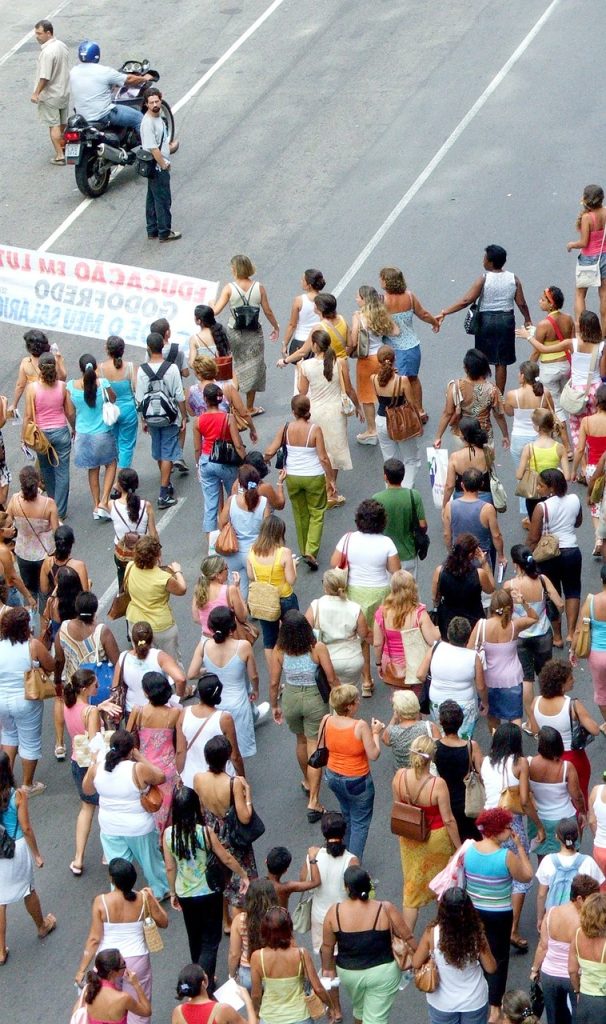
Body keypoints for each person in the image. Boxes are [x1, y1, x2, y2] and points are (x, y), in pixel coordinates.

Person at [163, 786, 249, 990]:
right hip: (209, 891)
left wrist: (173, 892)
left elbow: (169, 866)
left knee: (195, 936)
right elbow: (225, 857)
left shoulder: (168, 835)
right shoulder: (204, 832)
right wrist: (243, 874)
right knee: (211, 939)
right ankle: (202, 982)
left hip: (185, 893)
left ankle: (201, 974)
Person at [462, 808, 533, 1021]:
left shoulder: (469, 850)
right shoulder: (506, 856)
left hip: (474, 912)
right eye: (506, 828)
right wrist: (520, 847)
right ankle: (494, 1008)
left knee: (477, 953)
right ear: (496, 831)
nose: (510, 831)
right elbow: (527, 875)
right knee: (498, 958)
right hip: (500, 914)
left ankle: (478, 994)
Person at [321, 865, 416, 1024]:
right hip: (383, 973)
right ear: (369, 884)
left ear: (347, 888)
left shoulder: (334, 912)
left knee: (360, 1009)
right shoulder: (384, 908)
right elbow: (407, 936)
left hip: (349, 974)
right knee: (375, 1019)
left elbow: (327, 947)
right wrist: (422, 955)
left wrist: (327, 969)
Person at [74, 858, 167, 1020]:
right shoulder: (143, 899)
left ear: (112, 879)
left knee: (105, 1003)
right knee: (139, 1007)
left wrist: (82, 969)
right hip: (137, 959)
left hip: (107, 961)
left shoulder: (101, 902)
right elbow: (163, 922)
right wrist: (151, 898)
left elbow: (94, 939)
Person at [82, 729, 169, 898]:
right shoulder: (137, 769)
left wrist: (93, 762)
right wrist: (140, 756)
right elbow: (160, 777)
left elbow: (87, 789)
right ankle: (160, 891)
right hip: (139, 827)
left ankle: (120, 896)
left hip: (110, 826)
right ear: (131, 750)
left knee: (117, 865)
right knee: (151, 863)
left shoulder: (97, 769)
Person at [480, 725, 544, 949]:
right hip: (509, 822)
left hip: (486, 820)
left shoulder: (486, 762)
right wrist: (539, 826)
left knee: (494, 868)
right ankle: (512, 930)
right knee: (521, 874)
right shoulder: (520, 763)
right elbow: (525, 801)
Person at [270, 610, 337, 822]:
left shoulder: (279, 650)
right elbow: (331, 678)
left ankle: (307, 781)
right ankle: (314, 800)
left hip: (290, 697)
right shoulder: (316, 648)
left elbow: (273, 683)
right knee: (314, 744)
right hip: (314, 699)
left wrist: (274, 706)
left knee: (300, 741)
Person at [436, 245, 532, 394]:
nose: (483, 260)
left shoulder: (484, 278)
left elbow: (466, 300)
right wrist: (527, 319)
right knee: (501, 362)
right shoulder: (514, 278)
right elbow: (521, 303)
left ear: (491, 262)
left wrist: (445, 311)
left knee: (482, 358)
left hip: (486, 321)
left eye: (485, 258)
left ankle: (481, 393)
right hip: (506, 320)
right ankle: (498, 398)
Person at [331, 499, 401, 697]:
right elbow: (395, 571)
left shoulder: (348, 539)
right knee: (383, 634)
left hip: (353, 592)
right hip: (380, 592)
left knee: (361, 637)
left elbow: (334, 562)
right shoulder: (386, 543)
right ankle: (388, 671)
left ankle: (366, 681)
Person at [394, 734, 461, 929]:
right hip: (435, 837)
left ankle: (407, 941)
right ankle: (445, 932)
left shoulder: (399, 776)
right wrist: (458, 847)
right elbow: (448, 819)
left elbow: (398, 807)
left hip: (410, 837)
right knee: (443, 883)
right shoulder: (437, 784)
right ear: (431, 757)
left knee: (412, 888)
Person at [264, 395, 337, 566]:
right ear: (308, 410)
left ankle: (304, 548)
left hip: (293, 477)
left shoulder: (286, 428)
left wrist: (265, 459)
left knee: (300, 512)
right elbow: (323, 458)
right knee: (317, 512)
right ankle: (311, 550)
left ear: (293, 411)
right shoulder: (315, 430)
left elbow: (271, 450)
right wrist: (331, 478)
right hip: (313, 476)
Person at [193, 734, 259, 919]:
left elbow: (200, 807)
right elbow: (245, 818)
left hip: (212, 833)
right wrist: (248, 797)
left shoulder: (198, 779)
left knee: (221, 878)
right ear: (227, 757)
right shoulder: (234, 783)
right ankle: (243, 923)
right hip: (233, 837)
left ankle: (226, 921)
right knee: (241, 881)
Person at [64, 668, 122, 875]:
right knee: (105, 808)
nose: (99, 687)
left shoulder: (68, 704)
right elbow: (93, 742)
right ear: (86, 687)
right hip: (93, 766)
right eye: (96, 685)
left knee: (86, 809)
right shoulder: (91, 712)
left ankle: (78, 858)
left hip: (76, 762)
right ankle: (108, 852)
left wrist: (98, 707)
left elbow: (82, 718)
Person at [188, 606, 265, 760]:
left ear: (210, 627)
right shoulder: (243, 646)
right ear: (232, 627)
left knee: (220, 750)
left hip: (215, 705)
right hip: (238, 704)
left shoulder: (204, 645)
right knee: (239, 752)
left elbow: (191, 674)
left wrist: (208, 670)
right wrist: (255, 690)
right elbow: (253, 675)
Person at [0, 750, 56, 964]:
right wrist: (37, 854)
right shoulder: (17, 795)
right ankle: (41, 926)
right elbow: (26, 828)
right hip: (16, 847)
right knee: (28, 889)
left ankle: (0, 950)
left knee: (0, 901)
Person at [412, 887, 496, 1024]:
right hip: (474, 1000)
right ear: (469, 909)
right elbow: (491, 968)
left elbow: (416, 962)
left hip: (442, 1003)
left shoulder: (432, 933)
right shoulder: (476, 934)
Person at [529, 659, 604, 808]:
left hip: (546, 756)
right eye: (570, 678)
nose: (574, 680)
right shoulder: (572, 705)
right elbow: (595, 729)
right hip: (573, 758)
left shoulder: (535, 702)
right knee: (578, 797)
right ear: (561, 684)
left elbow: (535, 730)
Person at [525, 310, 605, 450]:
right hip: (596, 390)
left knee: (576, 427)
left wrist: (528, 337)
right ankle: (596, 454)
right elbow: (603, 371)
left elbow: (542, 348)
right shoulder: (602, 347)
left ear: (583, 327)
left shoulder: (571, 344)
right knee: (595, 424)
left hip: (576, 391)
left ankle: (583, 461)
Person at [503, 545, 563, 727]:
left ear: (516, 564)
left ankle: (532, 722)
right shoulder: (542, 580)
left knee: (526, 679)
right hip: (543, 634)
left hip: (521, 636)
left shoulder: (510, 586)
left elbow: (503, 612)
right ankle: (552, 716)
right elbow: (560, 604)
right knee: (546, 675)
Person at [306, 811, 359, 1018]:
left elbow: (306, 880)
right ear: (344, 832)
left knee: (328, 969)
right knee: (353, 965)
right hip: (346, 921)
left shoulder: (314, 857)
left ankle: (335, 1010)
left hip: (321, 919)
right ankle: (359, 1006)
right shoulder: (351, 860)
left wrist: (311, 858)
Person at [321, 684, 384, 859]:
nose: (359, 702)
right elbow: (374, 754)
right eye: (356, 700)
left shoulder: (326, 719)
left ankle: (342, 856)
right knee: (360, 823)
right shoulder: (360, 726)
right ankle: (352, 867)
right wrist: (376, 733)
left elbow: (322, 745)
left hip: (333, 775)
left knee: (347, 815)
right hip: (357, 781)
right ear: (348, 706)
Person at [213, 254, 280, 416]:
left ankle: (230, 403)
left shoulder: (229, 288)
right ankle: (249, 407)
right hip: (254, 332)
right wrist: (275, 326)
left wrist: (210, 305)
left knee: (236, 366)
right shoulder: (259, 287)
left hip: (235, 332)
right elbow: (267, 310)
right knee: (254, 367)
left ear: (235, 269)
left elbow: (216, 310)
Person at [531, 874, 600, 1024]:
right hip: (574, 977)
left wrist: (535, 969)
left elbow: (543, 946)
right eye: (592, 898)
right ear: (580, 899)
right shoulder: (585, 923)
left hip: (549, 974)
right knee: (578, 1016)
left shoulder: (551, 913)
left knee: (554, 1017)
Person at [298, 329, 360, 495]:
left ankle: (324, 485)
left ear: (315, 345)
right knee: (335, 451)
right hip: (335, 412)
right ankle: (331, 488)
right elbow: (348, 388)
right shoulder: (339, 362)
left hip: (315, 411)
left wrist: (299, 369)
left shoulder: (305, 365)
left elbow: (302, 391)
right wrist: (358, 407)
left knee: (320, 450)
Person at [0, 607, 54, 795]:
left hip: (2, 700)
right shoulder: (32, 645)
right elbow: (50, 665)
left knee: (9, 737)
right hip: (26, 699)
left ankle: (5, 782)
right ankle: (27, 784)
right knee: (29, 741)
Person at [527, 469, 583, 644]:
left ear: (551, 487)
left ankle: (557, 636)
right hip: (572, 551)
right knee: (573, 591)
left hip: (550, 554)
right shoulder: (574, 499)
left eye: (541, 485)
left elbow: (533, 537)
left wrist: (529, 558)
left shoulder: (541, 507)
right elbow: (578, 522)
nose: (538, 488)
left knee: (552, 593)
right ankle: (572, 632)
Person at [468, 590, 537, 731]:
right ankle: (515, 747)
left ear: (492, 607)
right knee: (515, 717)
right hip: (512, 679)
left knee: (493, 718)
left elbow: (469, 651)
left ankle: (497, 747)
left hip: (489, 679)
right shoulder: (514, 626)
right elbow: (534, 618)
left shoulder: (481, 625)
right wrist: (523, 602)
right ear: (510, 608)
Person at [251, 906, 330, 1024]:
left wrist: (256, 1012)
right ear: (289, 929)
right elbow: (318, 988)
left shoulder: (258, 957)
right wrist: (332, 1006)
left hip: (270, 1017)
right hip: (300, 1017)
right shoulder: (301, 954)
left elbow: (256, 994)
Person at [379, 265, 440, 416]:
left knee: (396, 381)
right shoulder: (410, 297)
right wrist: (435, 322)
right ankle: (419, 410)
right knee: (413, 379)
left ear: (386, 282)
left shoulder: (383, 300)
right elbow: (424, 314)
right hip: (412, 345)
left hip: (393, 348)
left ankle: (404, 414)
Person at [135, 332, 188, 508]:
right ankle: (163, 492)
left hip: (151, 417)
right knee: (168, 452)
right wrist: (184, 416)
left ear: (148, 349)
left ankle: (166, 483)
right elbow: (179, 395)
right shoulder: (171, 368)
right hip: (169, 415)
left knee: (158, 451)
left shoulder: (142, 370)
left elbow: (140, 398)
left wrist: (143, 419)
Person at [126, 672, 182, 839]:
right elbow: (179, 743)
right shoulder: (175, 713)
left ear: (145, 692)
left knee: (148, 803)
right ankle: (167, 840)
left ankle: (155, 839)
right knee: (166, 808)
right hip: (167, 768)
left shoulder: (138, 711)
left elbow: (127, 736)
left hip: (144, 766)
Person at [515, 285, 574, 434]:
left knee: (557, 406)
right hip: (566, 366)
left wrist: (528, 368)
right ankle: (575, 432)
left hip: (549, 370)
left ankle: (566, 444)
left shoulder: (544, 325)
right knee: (569, 400)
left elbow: (537, 351)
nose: (539, 301)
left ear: (551, 304)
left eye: (543, 299)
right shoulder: (568, 319)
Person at [504, 361, 561, 514]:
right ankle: (547, 503)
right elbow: (550, 415)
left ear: (522, 376)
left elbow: (508, 412)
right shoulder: (545, 394)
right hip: (540, 438)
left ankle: (526, 511)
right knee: (544, 473)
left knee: (523, 475)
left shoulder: (512, 395)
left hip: (519, 439)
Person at [22, 352, 74, 518]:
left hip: (42, 435)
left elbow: (28, 416)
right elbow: (70, 413)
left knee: (46, 470)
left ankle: (51, 505)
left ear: (39, 368)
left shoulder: (32, 388)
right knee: (62, 471)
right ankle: (60, 511)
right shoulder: (62, 387)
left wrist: (24, 437)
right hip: (61, 432)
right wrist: (75, 428)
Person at [66, 353, 118, 518]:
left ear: (80, 369)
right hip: (102, 433)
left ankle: (96, 505)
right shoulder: (102, 383)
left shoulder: (71, 387)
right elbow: (113, 398)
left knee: (92, 468)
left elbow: (70, 412)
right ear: (95, 368)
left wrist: (74, 428)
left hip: (83, 434)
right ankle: (104, 501)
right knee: (111, 464)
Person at [373, 570, 439, 696]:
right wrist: (439, 629)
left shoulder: (382, 612)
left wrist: (378, 663)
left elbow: (377, 643)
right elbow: (432, 640)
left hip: (392, 665)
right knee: (415, 701)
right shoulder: (419, 613)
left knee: (399, 702)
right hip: (415, 664)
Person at [419, 617, 488, 738]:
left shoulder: (436, 648)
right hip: (465, 704)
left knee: (442, 735)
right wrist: (485, 703)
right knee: (463, 739)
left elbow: (420, 674)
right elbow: (481, 687)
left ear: (448, 634)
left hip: (437, 701)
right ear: (467, 638)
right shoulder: (473, 657)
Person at [349, 285, 400, 444]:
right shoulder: (381, 314)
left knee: (366, 397)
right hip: (382, 355)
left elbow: (354, 338)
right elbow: (396, 331)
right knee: (387, 391)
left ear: (364, 299)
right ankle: (393, 423)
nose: (355, 299)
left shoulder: (359, 316)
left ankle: (372, 431)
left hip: (366, 360)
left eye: (357, 297)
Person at [55, 591, 120, 713]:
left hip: (74, 688)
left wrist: (58, 681)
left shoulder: (63, 629)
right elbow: (118, 662)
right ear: (95, 611)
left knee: (80, 723)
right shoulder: (102, 631)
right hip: (97, 689)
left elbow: (59, 660)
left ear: (76, 608)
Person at [194, 384, 247, 536]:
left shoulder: (198, 421)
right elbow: (237, 444)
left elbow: (197, 448)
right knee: (234, 498)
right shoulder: (228, 418)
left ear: (205, 399)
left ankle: (211, 541)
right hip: (226, 462)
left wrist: (198, 464)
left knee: (211, 504)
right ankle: (234, 534)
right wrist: (245, 461)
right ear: (220, 399)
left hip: (207, 461)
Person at [434, 348, 510, 452]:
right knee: (484, 467)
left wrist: (438, 437)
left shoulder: (455, 386)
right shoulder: (492, 390)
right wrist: (505, 435)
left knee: (462, 466)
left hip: (462, 434)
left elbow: (447, 413)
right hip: (484, 435)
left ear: (466, 368)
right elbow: (499, 415)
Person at [124, 536, 187, 662]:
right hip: (160, 626)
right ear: (157, 555)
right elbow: (182, 589)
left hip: (135, 622)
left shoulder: (130, 566)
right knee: (171, 662)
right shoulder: (163, 578)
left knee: (144, 660)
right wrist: (177, 571)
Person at [247, 515, 299, 666]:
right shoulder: (284, 552)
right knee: (293, 634)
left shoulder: (252, 550)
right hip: (285, 598)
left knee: (269, 639)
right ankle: (295, 670)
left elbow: (251, 575)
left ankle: (274, 676)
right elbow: (291, 579)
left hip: (265, 600)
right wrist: (294, 565)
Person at [176, 673, 244, 786]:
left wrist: (178, 775)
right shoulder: (224, 718)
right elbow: (235, 756)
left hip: (192, 779)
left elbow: (180, 751)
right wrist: (242, 779)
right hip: (221, 779)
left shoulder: (184, 713)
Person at [6, 465, 58, 611]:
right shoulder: (48, 504)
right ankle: (46, 621)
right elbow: (57, 531)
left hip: (23, 553)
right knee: (46, 591)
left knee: (30, 591)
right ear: (37, 482)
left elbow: (6, 522)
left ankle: (31, 622)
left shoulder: (15, 500)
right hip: (45, 553)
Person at [69, 40, 152, 131]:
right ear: (97, 54)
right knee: (139, 118)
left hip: (83, 116)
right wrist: (145, 78)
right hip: (103, 114)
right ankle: (150, 145)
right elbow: (128, 79)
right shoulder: (104, 71)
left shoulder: (74, 71)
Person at [535, 818, 604, 927]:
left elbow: (542, 894)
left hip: (554, 916)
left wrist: (540, 918)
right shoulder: (588, 862)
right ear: (577, 836)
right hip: (579, 918)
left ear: (557, 837)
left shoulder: (548, 861)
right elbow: (597, 892)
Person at [370, 344, 423, 484]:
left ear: (379, 361)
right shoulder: (402, 380)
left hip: (381, 420)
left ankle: (391, 489)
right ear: (395, 359)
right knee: (411, 459)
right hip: (401, 421)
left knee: (389, 460)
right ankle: (406, 489)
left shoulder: (373, 379)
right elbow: (412, 404)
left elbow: (379, 397)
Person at [304, 568, 368, 684]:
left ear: (326, 586)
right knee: (349, 695)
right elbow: (364, 634)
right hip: (352, 659)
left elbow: (305, 632)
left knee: (332, 696)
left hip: (326, 659)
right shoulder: (354, 608)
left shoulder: (316, 606)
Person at [528, 729, 585, 856]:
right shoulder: (566, 767)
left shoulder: (529, 763)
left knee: (543, 859)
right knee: (571, 856)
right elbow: (577, 796)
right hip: (564, 821)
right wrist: (582, 812)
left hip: (539, 820)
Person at [434, 700, 483, 841]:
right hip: (468, 802)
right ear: (461, 721)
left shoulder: (435, 747)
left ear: (441, 722)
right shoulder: (471, 746)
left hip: (444, 802)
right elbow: (481, 775)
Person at [218, 464, 270, 598]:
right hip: (256, 553)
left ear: (240, 483)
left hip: (233, 552)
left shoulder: (232, 501)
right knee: (259, 587)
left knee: (237, 590)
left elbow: (221, 523)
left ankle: (238, 615)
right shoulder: (263, 502)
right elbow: (267, 530)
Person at [114, 620, 186, 714]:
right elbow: (181, 679)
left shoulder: (123, 657)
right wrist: (177, 699)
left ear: (133, 639)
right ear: (152, 638)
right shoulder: (159, 656)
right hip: (159, 711)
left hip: (133, 712)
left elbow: (115, 687)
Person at [432, 534, 495, 640]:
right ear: (471, 554)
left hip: (448, 619)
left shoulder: (440, 571)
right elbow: (491, 589)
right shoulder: (479, 574)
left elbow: (435, 597)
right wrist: (484, 563)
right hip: (474, 620)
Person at [373, 457, 428, 576]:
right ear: (403, 476)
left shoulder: (377, 498)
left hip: (385, 556)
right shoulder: (413, 495)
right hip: (408, 553)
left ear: (385, 477)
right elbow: (422, 525)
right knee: (409, 592)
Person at [443, 468, 506, 573]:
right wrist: (501, 556)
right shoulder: (487, 509)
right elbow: (496, 536)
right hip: (480, 556)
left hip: (459, 555)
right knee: (484, 587)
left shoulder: (450, 506)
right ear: (481, 484)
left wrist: (451, 552)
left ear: (462, 485)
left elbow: (447, 534)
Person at [140, 86, 181, 242]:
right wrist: (164, 164)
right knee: (163, 199)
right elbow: (153, 148)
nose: (155, 104)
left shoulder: (157, 118)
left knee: (152, 197)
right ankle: (164, 231)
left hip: (156, 164)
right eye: (151, 102)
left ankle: (152, 229)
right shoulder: (148, 123)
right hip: (157, 166)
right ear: (146, 104)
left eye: (157, 101)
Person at [187, 354, 257, 442]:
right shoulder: (227, 388)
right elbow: (243, 413)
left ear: (198, 374)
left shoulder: (191, 391)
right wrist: (252, 429)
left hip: (206, 436)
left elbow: (191, 413)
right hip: (227, 433)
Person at [567, 183, 606, 333]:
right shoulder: (605, 212)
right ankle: (604, 333)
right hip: (604, 257)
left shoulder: (587, 218)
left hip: (589, 259)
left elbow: (584, 242)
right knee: (603, 294)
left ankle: (581, 330)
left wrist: (571, 244)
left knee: (580, 294)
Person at [516, 408, 569, 520]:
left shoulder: (529, 448)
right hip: (552, 491)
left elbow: (519, 475)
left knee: (536, 523)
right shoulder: (559, 448)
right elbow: (567, 476)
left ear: (537, 428)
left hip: (535, 493)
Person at [109, 468, 157, 590]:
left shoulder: (112, 505)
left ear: (119, 484)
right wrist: (157, 553)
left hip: (123, 554)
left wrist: (116, 487)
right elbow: (153, 534)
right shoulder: (146, 505)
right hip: (143, 552)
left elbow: (102, 503)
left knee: (123, 584)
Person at [76, 948, 152, 1024]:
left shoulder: (88, 989)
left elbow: (76, 1012)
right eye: (123, 964)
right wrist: (136, 985)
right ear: (113, 972)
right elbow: (147, 1011)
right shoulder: (123, 998)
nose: (126, 966)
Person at [572, 384, 606, 551]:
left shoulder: (586, 421)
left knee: (595, 503)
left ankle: (598, 538)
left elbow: (579, 450)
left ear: (597, 401)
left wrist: (574, 470)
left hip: (593, 468)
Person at [31, 20, 69, 163]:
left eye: (39, 33)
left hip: (51, 94)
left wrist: (36, 93)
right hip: (63, 91)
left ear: (48, 33)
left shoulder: (47, 52)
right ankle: (64, 146)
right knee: (62, 122)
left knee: (53, 124)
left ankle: (60, 155)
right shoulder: (62, 46)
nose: (36, 36)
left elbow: (44, 76)